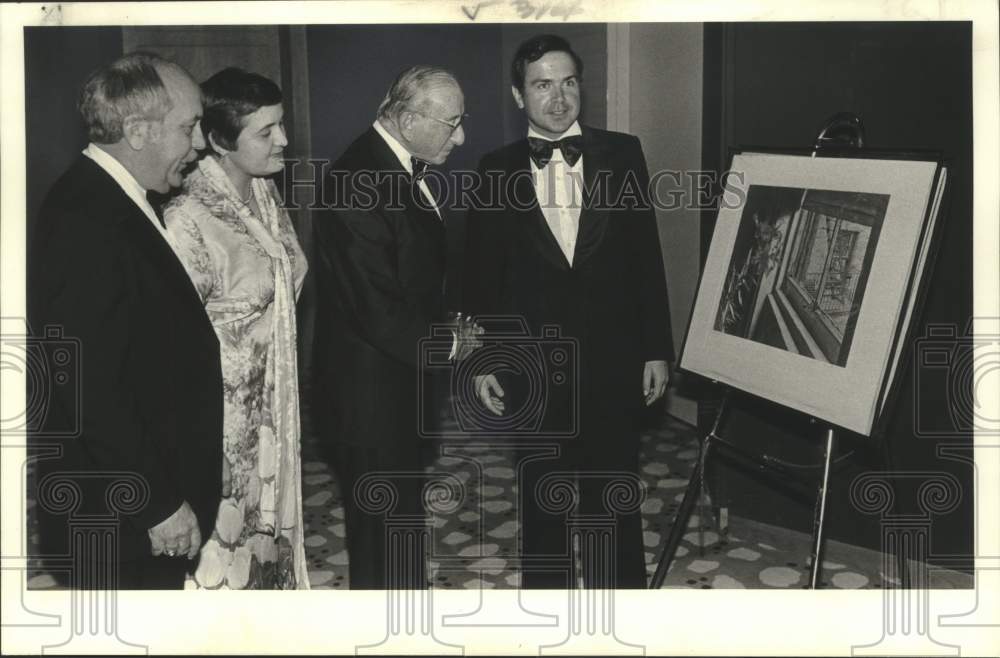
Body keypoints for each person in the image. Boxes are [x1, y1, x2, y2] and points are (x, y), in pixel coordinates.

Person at [463, 34, 674, 589]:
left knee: (613, 495)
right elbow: (480, 278)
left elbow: (646, 257)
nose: (558, 99)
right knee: (543, 500)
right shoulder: (493, 168)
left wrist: (656, 348)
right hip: (531, 365)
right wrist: (482, 360)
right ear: (517, 95)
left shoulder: (623, 152)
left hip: (613, 356)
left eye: (569, 83)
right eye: (541, 85)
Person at [29, 52, 223, 589]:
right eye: (188, 128)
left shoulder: (114, 198)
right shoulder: (85, 219)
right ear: (138, 132)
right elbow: (88, 386)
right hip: (119, 520)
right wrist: (156, 504)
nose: (201, 143)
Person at [312, 65, 473, 589]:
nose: (462, 135)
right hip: (370, 398)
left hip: (395, 388)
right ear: (407, 119)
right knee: (381, 535)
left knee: (397, 525)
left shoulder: (394, 165)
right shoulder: (358, 179)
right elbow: (377, 307)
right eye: (452, 123)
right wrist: (452, 342)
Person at [163, 67, 309, 589]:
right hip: (220, 424)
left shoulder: (265, 198)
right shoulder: (187, 216)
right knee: (221, 557)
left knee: (266, 549)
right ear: (220, 142)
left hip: (273, 414)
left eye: (282, 125)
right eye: (266, 133)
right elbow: (172, 341)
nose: (284, 140)